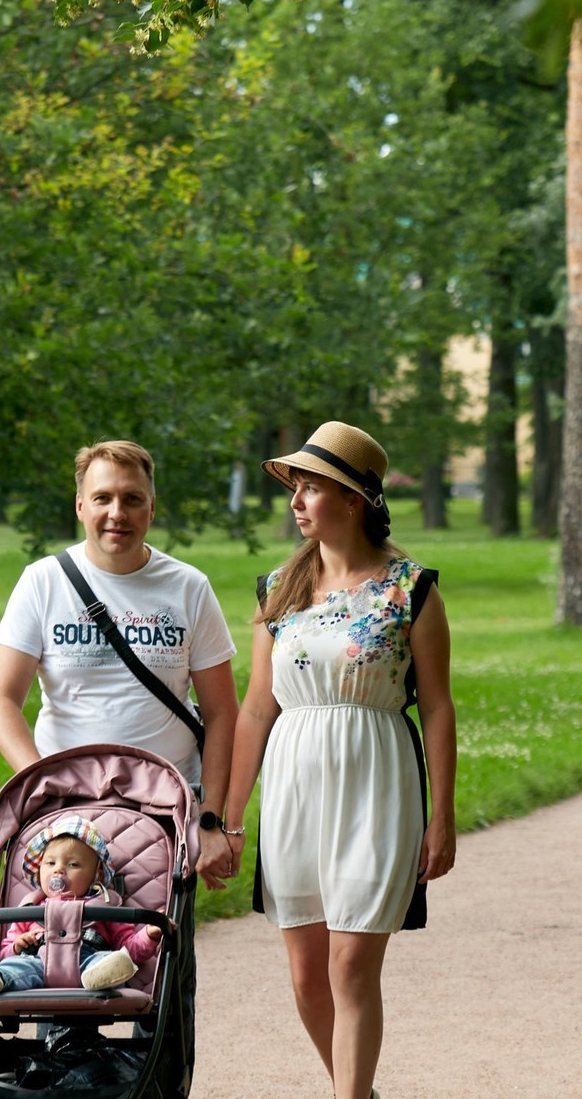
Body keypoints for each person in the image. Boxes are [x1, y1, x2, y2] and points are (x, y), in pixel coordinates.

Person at [0, 440, 238, 1091]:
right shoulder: (44, 583)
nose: (116, 512)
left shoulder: (187, 588)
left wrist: (213, 821)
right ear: (79, 506)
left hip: (160, 817)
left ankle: (153, 1086)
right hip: (59, 820)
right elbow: (1, 701)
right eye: (102, 498)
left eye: (131, 498)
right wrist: (39, 784)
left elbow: (224, 714)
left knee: (156, 971)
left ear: (152, 507)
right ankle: (44, 1081)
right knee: (45, 949)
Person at [221, 421, 457, 1099]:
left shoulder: (412, 589)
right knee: (306, 973)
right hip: (295, 784)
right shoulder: (279, 590)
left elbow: (437, 707)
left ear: (353, 498)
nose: (296, 502)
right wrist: (229, 817)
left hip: (378, 779)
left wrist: (443, 816)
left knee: (351, 966)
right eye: (295, 488)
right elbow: (256, 709)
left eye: (311, 488)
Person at [0, 815, 162, 994]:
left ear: (96, 874)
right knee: (16, 966)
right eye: (50, 863)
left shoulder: (105, 906)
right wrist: (17, 946)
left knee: (110, 960)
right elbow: (3, 952)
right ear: (39, 869)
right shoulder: (31, 909)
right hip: (38, 963)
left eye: (73, 865)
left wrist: (150, 934)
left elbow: (129, 947)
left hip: (88, 963)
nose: (58, 870)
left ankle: (102, 978)